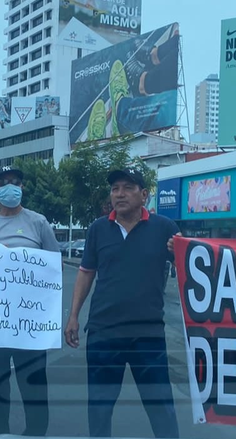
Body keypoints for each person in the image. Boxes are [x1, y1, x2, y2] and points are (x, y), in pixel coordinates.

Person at [64, 167, 181, 438]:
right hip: (104, 333)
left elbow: (190, 271)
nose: (120, 194)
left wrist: (180, 253)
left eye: (128, 188)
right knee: (100, 408)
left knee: (161, 406)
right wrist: (73, 316)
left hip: (148, 334)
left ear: (144, 195)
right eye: (115, 188)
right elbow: (86, 273)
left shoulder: (165, 227)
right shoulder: (98, 228)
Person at [0, 165, 60, 439]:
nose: (12, 186)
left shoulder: (38, 223)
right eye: (5, 183)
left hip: (28, 320)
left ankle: (35, 432)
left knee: (33, 381)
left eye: (16, 182)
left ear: (22, 188)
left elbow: (54, 267)